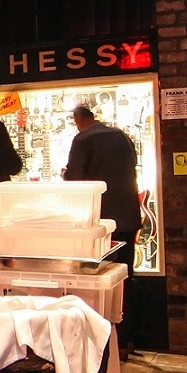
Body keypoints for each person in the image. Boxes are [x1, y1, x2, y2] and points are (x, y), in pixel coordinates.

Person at [63, 100, 141, 261]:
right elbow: (134, 162)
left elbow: (75, 178)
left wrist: (65, 175)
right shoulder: (120, 135)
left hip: (101, 216)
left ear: (79, 118)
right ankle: (129, 287)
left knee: (104, 267)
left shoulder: (82, 139)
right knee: (125, 265)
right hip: (127, 212)